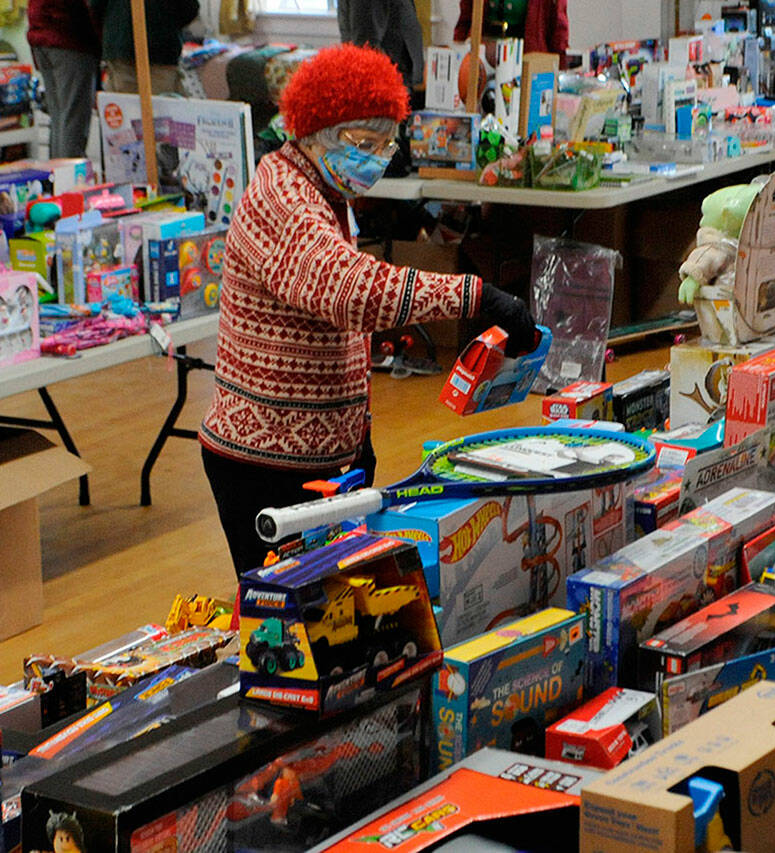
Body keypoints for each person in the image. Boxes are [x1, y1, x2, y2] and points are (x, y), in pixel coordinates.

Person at [199, 44, 535, 575]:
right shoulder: (282, 197)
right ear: (313, 129)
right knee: (289, 623)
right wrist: (474, 295)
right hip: (269, 464)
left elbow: (323, 309)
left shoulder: (321, 189)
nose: (375, 157)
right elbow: (351, 291)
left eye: (385, 143)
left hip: (325, 454)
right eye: (362, 142)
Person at [28, 0, 100, 159]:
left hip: (42, 31)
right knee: (72, 121)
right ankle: (70, 179)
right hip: (69, 34)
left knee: (60, 119)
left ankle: (59, 177)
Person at [88, 0, 199, 95]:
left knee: (124, 108)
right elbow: (189, 9)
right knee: (161, 111)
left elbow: (96, 6)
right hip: (161, 49)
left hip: (121, 46)